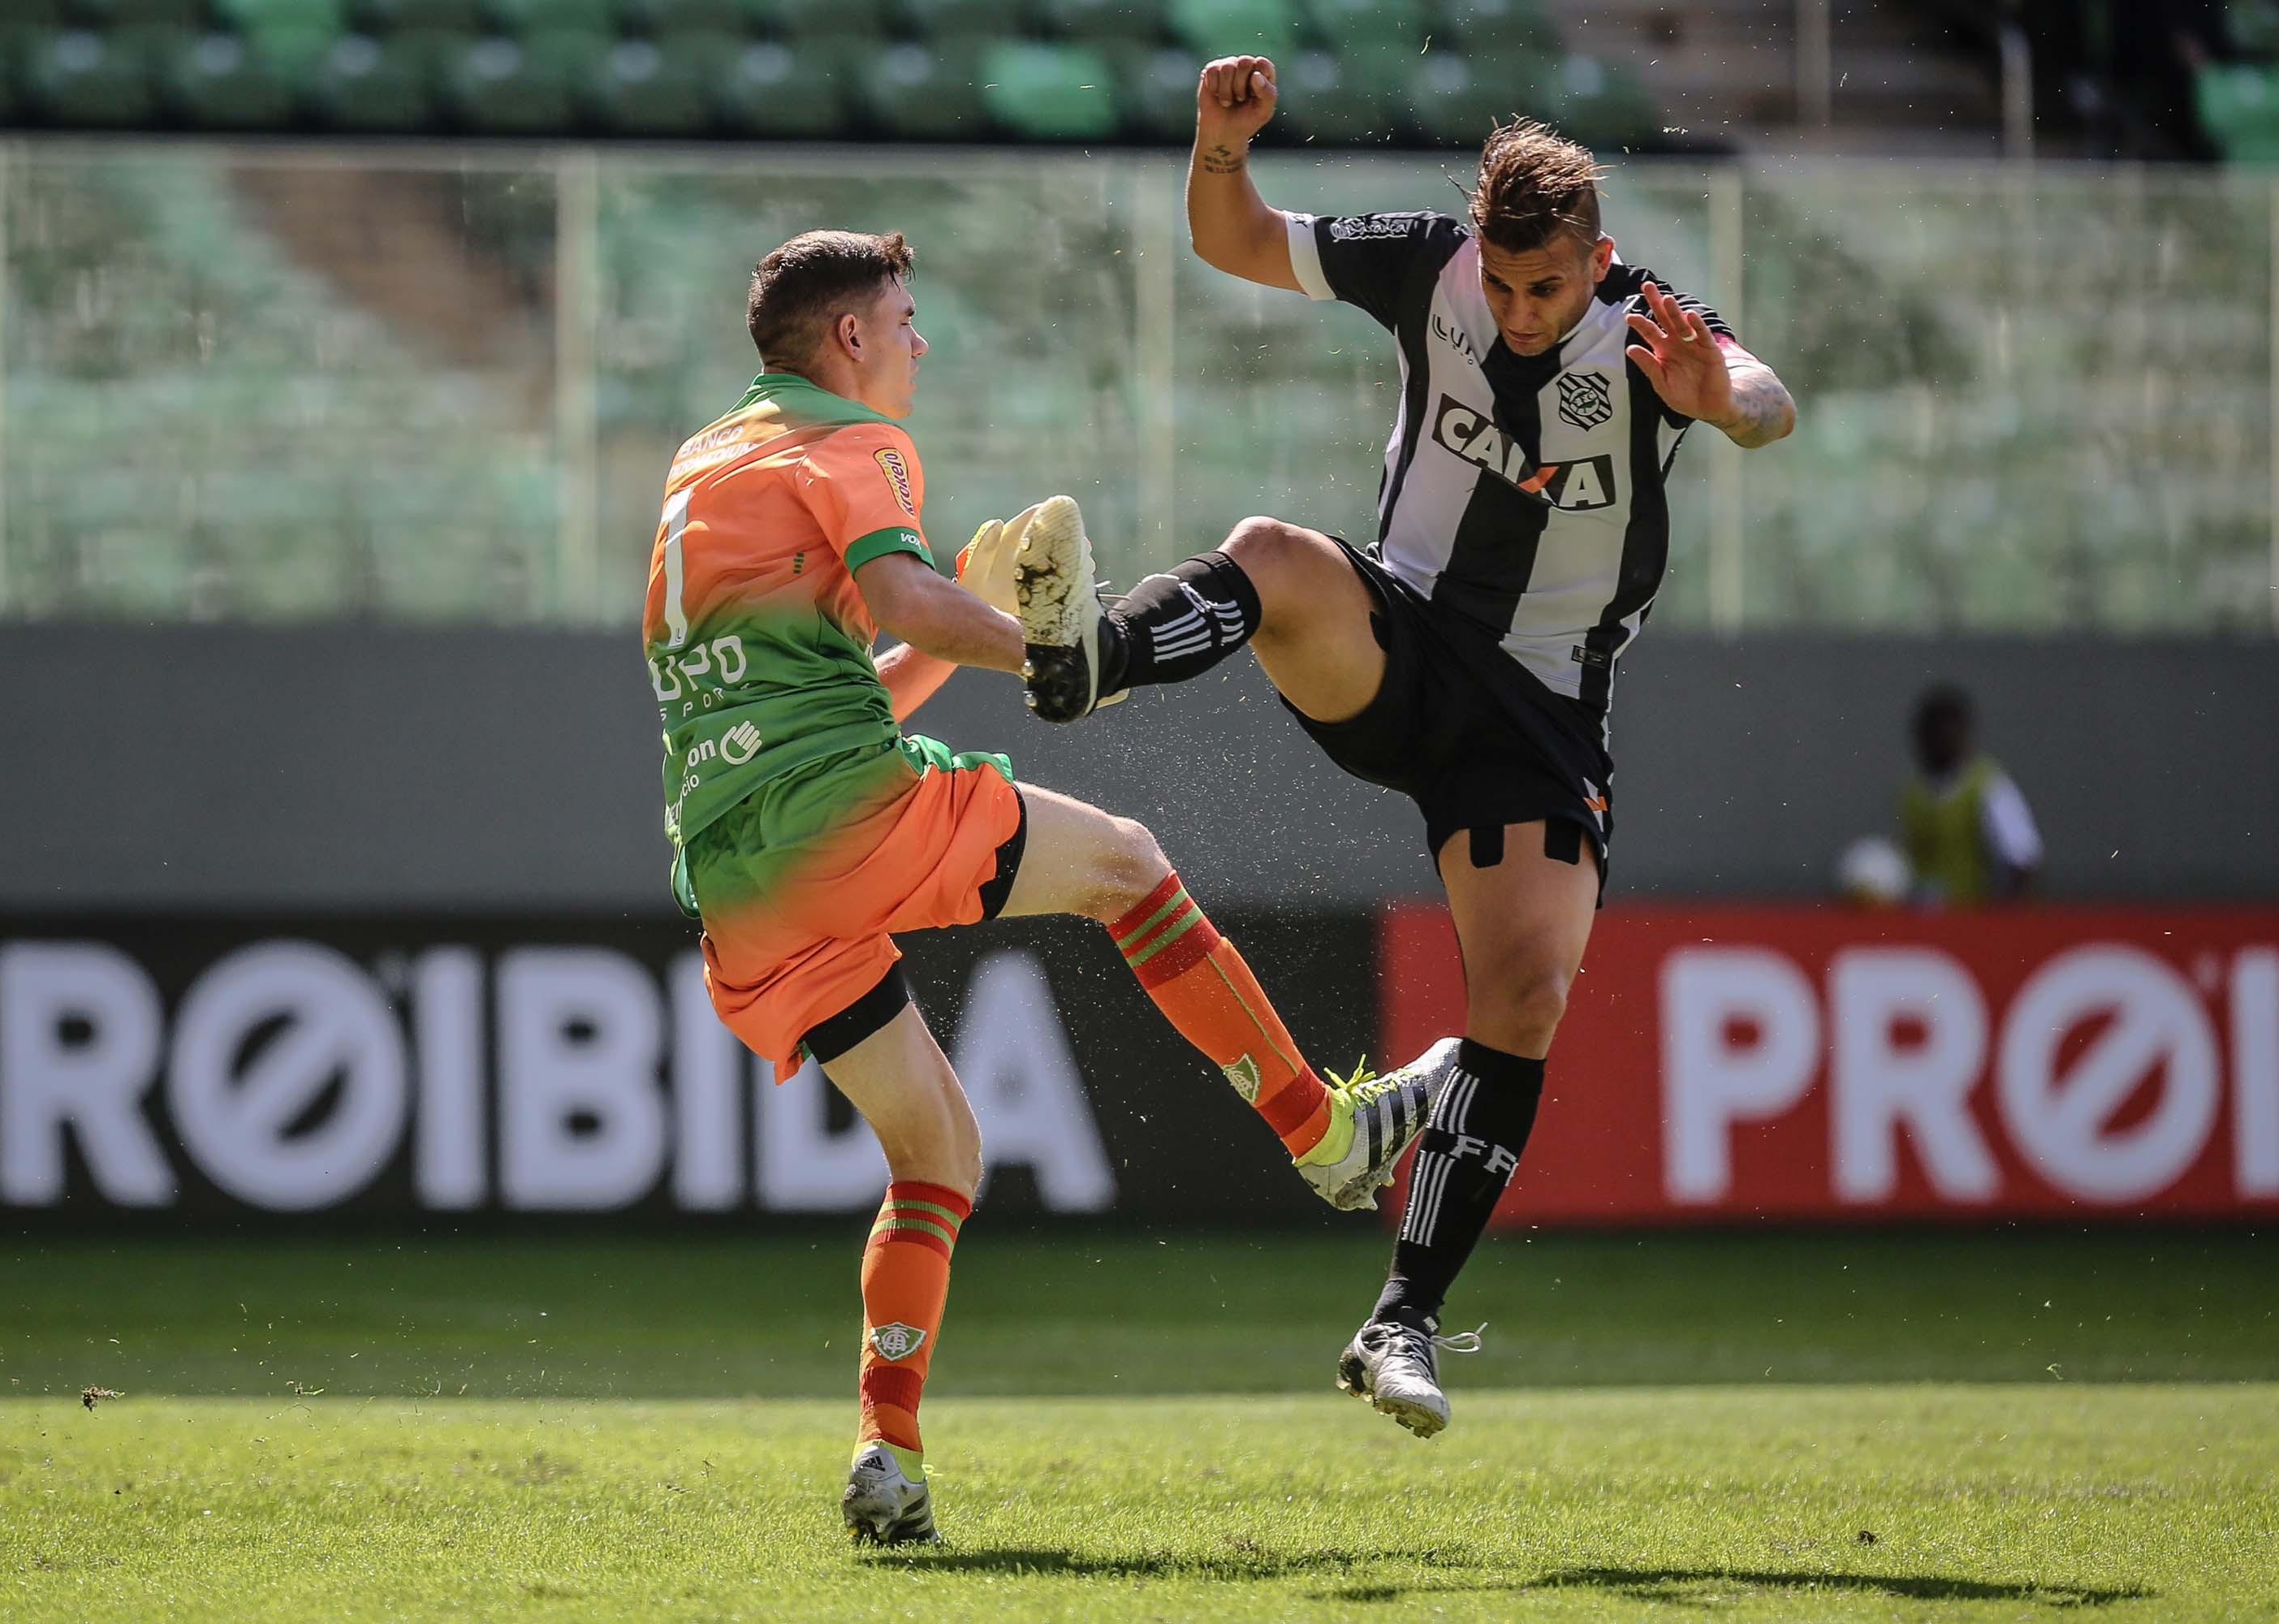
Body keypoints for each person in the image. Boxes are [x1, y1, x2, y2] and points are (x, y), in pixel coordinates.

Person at [1019, 66, 1797, 1439]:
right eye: (1502, 288)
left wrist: (1720, 398)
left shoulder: (1651, 329)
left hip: (1542, 717)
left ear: (1597, 264)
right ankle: (1093, 665)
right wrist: (1215, 151)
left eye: (1545, 290)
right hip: (1402, 641)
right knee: (1272, 553)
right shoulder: (1428, 267)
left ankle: (1400, 1320)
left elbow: (1766, 395)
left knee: (1529, 994)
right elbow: (1235, 239)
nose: (1516, 311)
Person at [648, 229, 1452, 1544]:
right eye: (904, 317)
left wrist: (967, 613)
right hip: (838, 814)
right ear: (849, 338)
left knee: (939, 1151)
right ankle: (1327, 1137)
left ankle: (886, 1453)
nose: (919, 341)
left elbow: (872, 647)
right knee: (1129, 870)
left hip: (732, 872)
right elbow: (901, 600)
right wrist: (1062, 648)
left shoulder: (711, 459)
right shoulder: (859, 446)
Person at [1899, 684, 2043, 905]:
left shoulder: (1988, 785)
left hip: (1974, 916)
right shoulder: (1913, 793)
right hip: (1924, 918)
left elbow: (2021, 857)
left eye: (1947, 732)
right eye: (1932, 733)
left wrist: (2005, 921)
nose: (1940, 741)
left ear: (1963, 734)